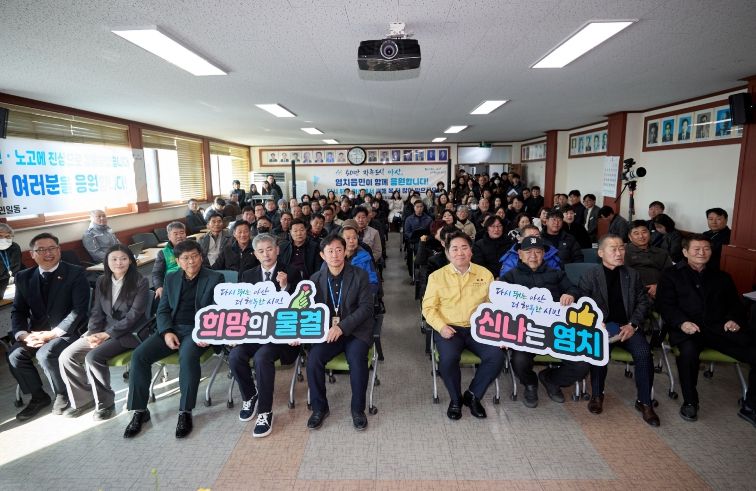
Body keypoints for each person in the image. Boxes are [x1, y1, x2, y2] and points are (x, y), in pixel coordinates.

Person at [123, 240, 224, 439]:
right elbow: (163, 310)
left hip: (198, 330)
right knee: (139, 356)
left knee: (187, 357)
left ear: (201, 257)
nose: (191, 261)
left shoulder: (215, 277)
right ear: (177, 261)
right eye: (185, 258)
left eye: (194, 256)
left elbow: (217, 310)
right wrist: (167, 331)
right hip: (173, 328)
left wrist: (205, 332)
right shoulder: (171, 278)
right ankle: (140, 410)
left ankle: (185, 411)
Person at [657, 235, 756, 427]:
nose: (702, 253)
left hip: (719, 329)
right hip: (687, 329)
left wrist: (734, 319)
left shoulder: (722, 277)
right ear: (685, 252)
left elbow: (735, 305)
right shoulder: (670, 275)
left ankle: (751, 405)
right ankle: (690, 402)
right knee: (688, 354)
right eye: (696, 249)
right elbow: (665, 305)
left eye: (706, 249)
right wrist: (682, 322)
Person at [58, 244, 151, 420]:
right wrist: (92, 333)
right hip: (102, 331)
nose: (119, 263)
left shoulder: (140, 281)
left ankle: (105, 404)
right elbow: (97, 311)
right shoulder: (102, 281)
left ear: (131, 261)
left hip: (129, 333)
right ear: (106, 262)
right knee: (66, 356)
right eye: (114, 259)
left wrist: (107, 334)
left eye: (123, 259)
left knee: (93, 357)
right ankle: (83, 400)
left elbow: (134, 315)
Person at [422, 231, 505, 420]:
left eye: (464, 248)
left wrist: (500, 333)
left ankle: (473, 395)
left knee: (496, 356)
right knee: (448, 359)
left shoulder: (484, 274)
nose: (460, 253)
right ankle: (456, 399)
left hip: (479, 328)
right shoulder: (437, 277)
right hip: (450, 328)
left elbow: (494, 306)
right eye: (455, 249)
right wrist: (441, 327)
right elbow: (428, 308)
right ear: (447, 253)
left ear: (471, 251)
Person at [578, 235, 659, 426]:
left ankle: (645, 402)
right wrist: (595, 323)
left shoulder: (632, 274)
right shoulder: (590, 275)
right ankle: (597, 395)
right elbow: (582, 302)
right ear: (601, 253)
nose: (619, 253)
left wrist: (633, 324)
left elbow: (643, 302)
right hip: (602, 327)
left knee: (644, 353)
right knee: (598, 352)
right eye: (613, 249)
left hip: (627, 327)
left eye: (621, 248)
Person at [9, 233, 90, 421]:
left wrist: (52, 334)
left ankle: (63, 394)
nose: (48, 253)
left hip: (69, 331)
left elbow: (79, 310)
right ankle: (38, 397)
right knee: (15, 355)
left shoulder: (75, 273)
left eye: (52, 248)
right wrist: (23, 335)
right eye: (42, 250)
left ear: (59, 250)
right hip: (36, 332)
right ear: (32, 254)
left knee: (46, 354)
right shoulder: (24, 277)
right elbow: (18, 311)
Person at [502, 236, 588, 408]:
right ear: (520, 254)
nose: (533, 256)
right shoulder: (510, 277)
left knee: (582, 364)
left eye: (538, 252)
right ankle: (530, 384)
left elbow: (575, 288)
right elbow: (500, 304)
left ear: (544, 255)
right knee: (519, 361)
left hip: (556, 331)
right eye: (528, 252)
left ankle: (551, 379)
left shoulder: (555, 273)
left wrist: (570, 294)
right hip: (526, 331)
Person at [232, 233, 302, 438]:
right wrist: (233, 333)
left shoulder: (292, 272)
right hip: (255, 332)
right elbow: (240, 308)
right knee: (235, 355)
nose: (266, 254)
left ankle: (265, 412)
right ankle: (250, 396)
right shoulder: (247, 275)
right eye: (261, 251)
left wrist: (285, 288)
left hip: (281, 335)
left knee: (262, 357)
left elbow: (300, 305)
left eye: (269, 249)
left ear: (277, 250)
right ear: (255, 254)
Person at [306, 234, 375, 430]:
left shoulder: (359, 275)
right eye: (330, 251)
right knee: (313, 360)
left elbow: (366, 308)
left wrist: (342, 327)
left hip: (355, 331)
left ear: (345, 252)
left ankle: (357, 410)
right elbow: (308, 311)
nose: (335, 255)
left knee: (357, 360)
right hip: (329, 333)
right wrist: (299, 333)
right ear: (322, 255)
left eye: (338, 250)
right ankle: (319, 408)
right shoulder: (315, 279)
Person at [624, 220, 673, 300]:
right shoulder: (624, 253)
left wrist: (659, 286)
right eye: (636, 233)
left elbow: (670, 274)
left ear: (649, 233)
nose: (641, 236)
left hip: (661, 292)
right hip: (634, 294)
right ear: (630, 237)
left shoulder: (661, 253)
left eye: (644, 232)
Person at [152, 222, 187, 298]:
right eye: (175, 234)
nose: (179, 236)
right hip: (172, 286)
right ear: (169, 236)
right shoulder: (163, 253)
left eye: (182, 233)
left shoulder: (194, 248)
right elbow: (157, 273)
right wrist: (159, 287)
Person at [0, 223, 22, 299]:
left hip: (14, 279)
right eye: (0, 236)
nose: (3, 239)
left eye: (7, 236)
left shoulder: (15, 247)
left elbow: (18, 266)